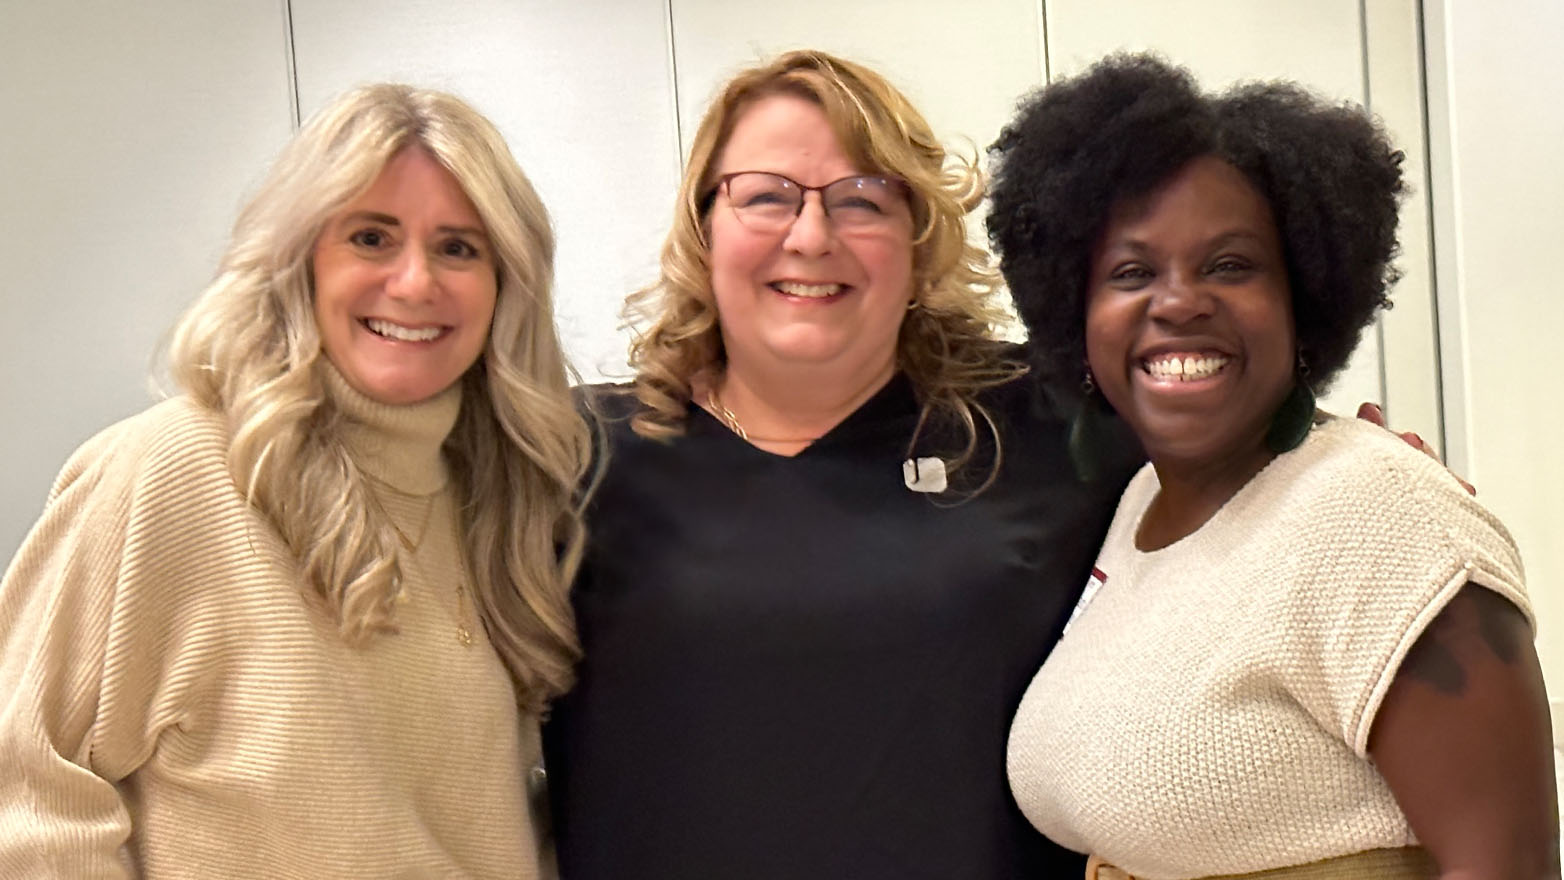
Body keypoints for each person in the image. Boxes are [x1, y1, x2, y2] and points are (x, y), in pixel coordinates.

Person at [541, 50, 1143, 878]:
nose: (812, 236)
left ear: (918, 237)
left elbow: (1238, 449)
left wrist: (1347, 455)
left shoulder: (1052, 425)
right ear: (703, 225)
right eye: (765, 197)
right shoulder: (569, 456)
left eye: (863, 200)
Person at [0, 84, 592, 877]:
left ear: (505, 285)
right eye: (371, 237)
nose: (416, 283)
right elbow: (26, 799)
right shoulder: (170, 473)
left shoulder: (503, 503)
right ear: (299, 259)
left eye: (459, 247)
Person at [989, 54, 1557, 879]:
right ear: (1077, 318)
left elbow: (1506, 867)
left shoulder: (1382, 516)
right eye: (1132, 272)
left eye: (1230, 265)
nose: (1179, 301)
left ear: (1306, 304)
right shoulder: (1141, 504)